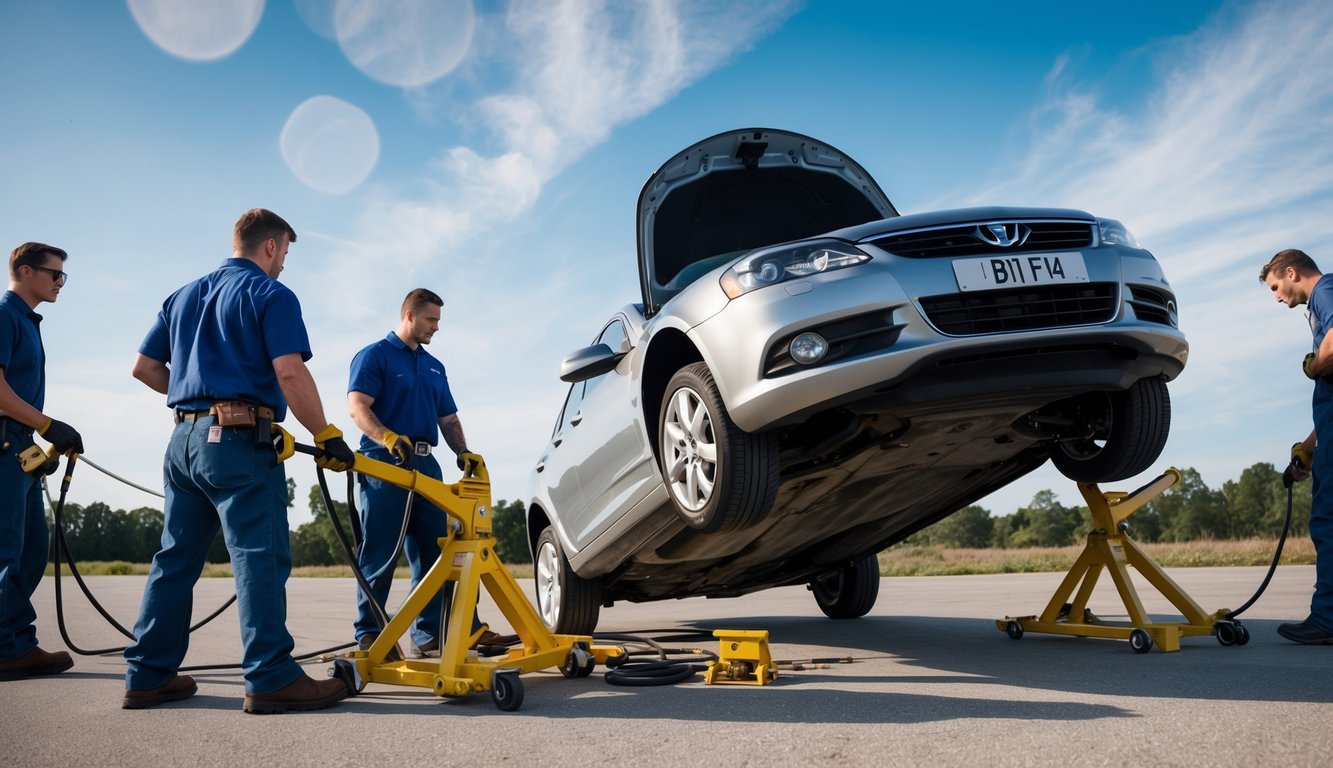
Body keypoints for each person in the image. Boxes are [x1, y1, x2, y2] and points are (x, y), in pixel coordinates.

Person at [123, 209, 357, 712]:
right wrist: (326, 433)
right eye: (286, 254)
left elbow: (144, 368)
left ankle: (146, 675)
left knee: (175, 558)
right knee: (259, 556)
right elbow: (289, 374)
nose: (284, 265)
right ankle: (271, 676)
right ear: (271, 247)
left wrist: (199, 400)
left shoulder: (183, 295)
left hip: (183, 443)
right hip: (237, 443)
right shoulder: (270, 295)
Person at [348, 288, 514, 656]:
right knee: (381, 552)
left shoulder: (435, 366)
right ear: (410, 315)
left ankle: (431, 635)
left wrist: (464, 452)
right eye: (431, 320)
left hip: (426, 464)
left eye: (438, 320)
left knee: (440, 552)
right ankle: (370, 632)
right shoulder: (375, 356)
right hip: (384, 462)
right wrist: (387, 436)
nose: (436, 327)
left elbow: (448, 418)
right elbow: (358, 406)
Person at [0, 243, 83, 681]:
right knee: (6, 553)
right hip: (4, 447)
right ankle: (8, 649)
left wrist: (38, 445)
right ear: (27, 272)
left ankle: (15, 643)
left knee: (32, 550)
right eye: (56, 275)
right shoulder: (4, 314)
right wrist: (49, 425)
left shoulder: (27, 322)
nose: (60, 283)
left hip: (18, 447)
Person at [1262, 247, 1333, 644]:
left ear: (1291, 272)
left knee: (1329, 523)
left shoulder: (1326, 291)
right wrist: (1308, 447)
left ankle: (1327, 619)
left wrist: (1313, 366)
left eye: (1275, 286)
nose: (1276, 297)